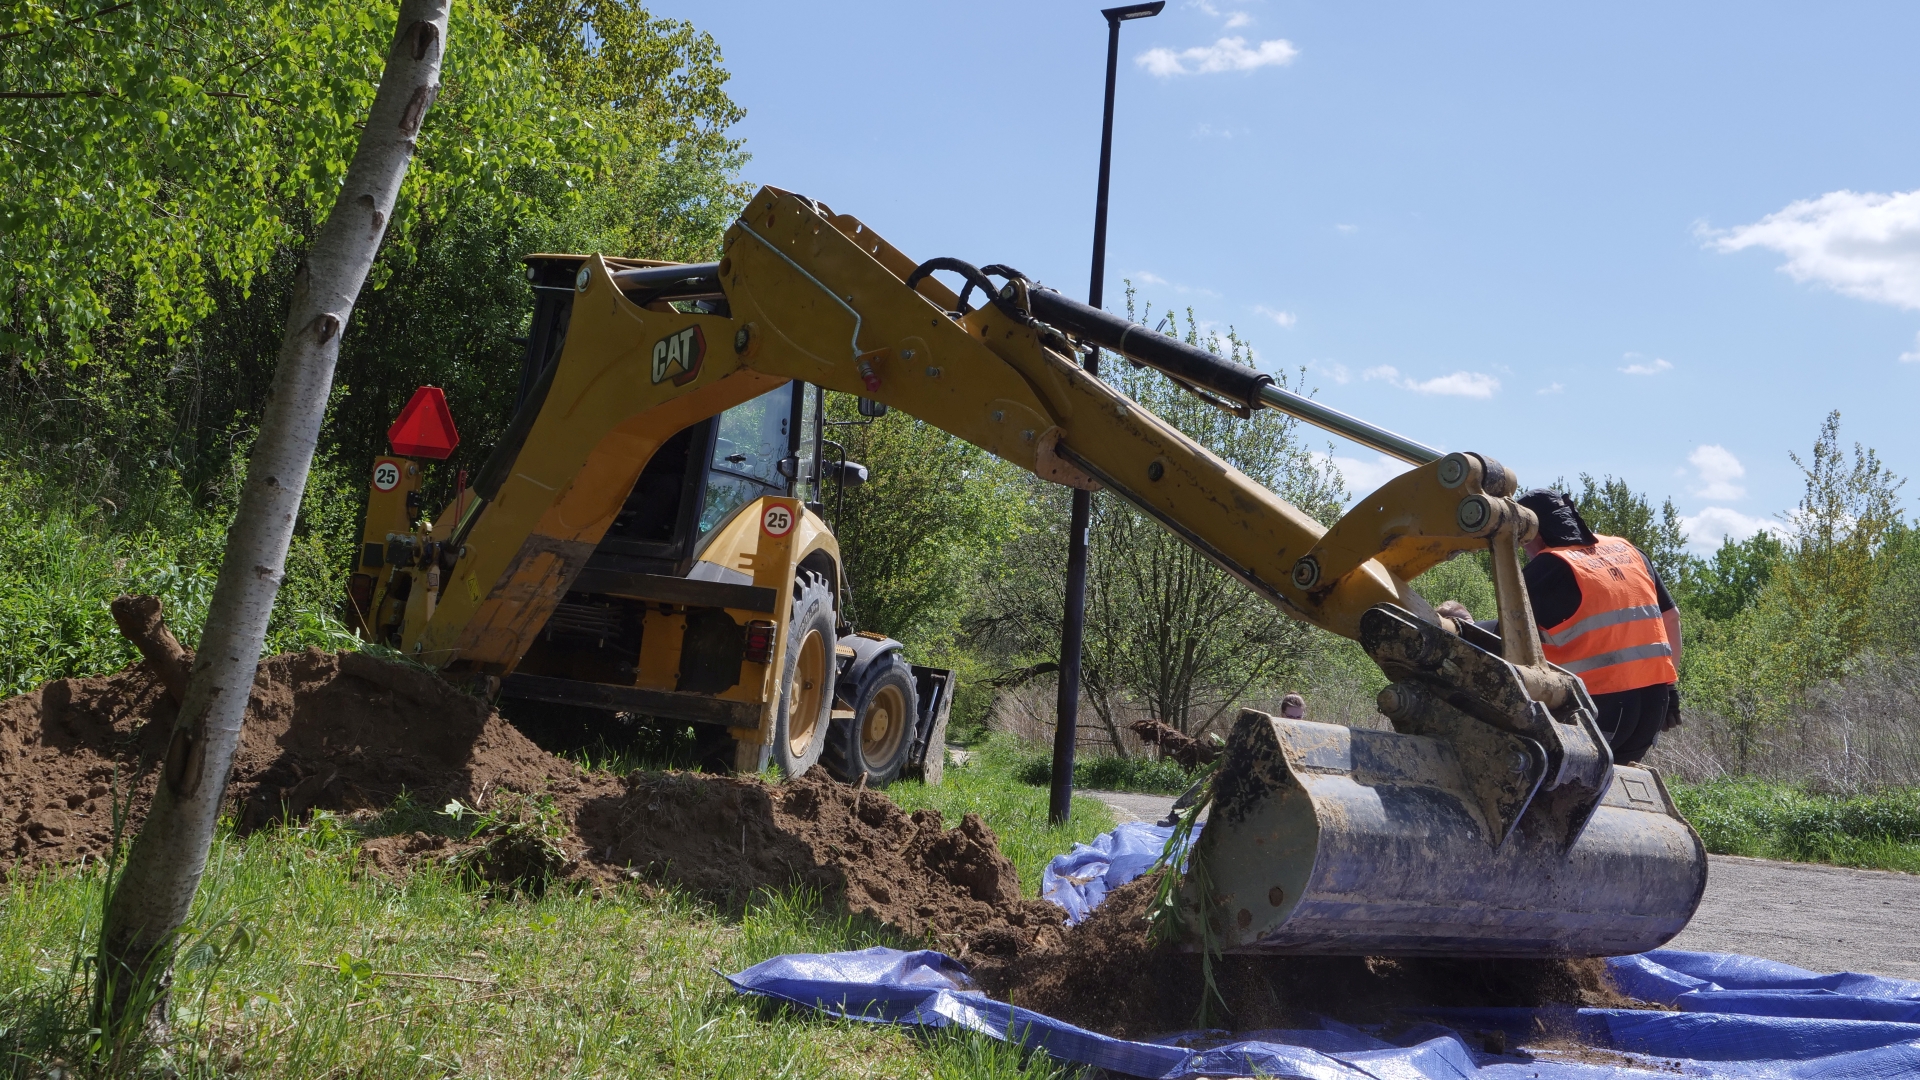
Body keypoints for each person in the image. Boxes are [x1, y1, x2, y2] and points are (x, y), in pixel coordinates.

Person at [1434, 489, 1680, 765]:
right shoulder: (1628, 550)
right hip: (1655, 704)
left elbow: (1510, 638)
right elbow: (1671, 618)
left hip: (1600, 707)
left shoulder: (1549, 567)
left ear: (1532, 532)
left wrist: (1461, 629)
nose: (1522, 549)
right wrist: (1670, 688)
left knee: (1547, 783)